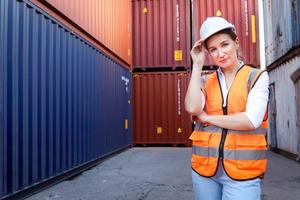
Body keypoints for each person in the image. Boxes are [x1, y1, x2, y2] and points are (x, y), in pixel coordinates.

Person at [184, 16, 269, 200]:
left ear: (236, 42)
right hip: (205, 169)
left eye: (225, 45)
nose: (220, 54)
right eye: (213, 49)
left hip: (242, 173)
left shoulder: (256, 77)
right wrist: (197, 65)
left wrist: (207, 118)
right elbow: (192, 107)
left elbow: (250, 120)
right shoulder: (205, 80)